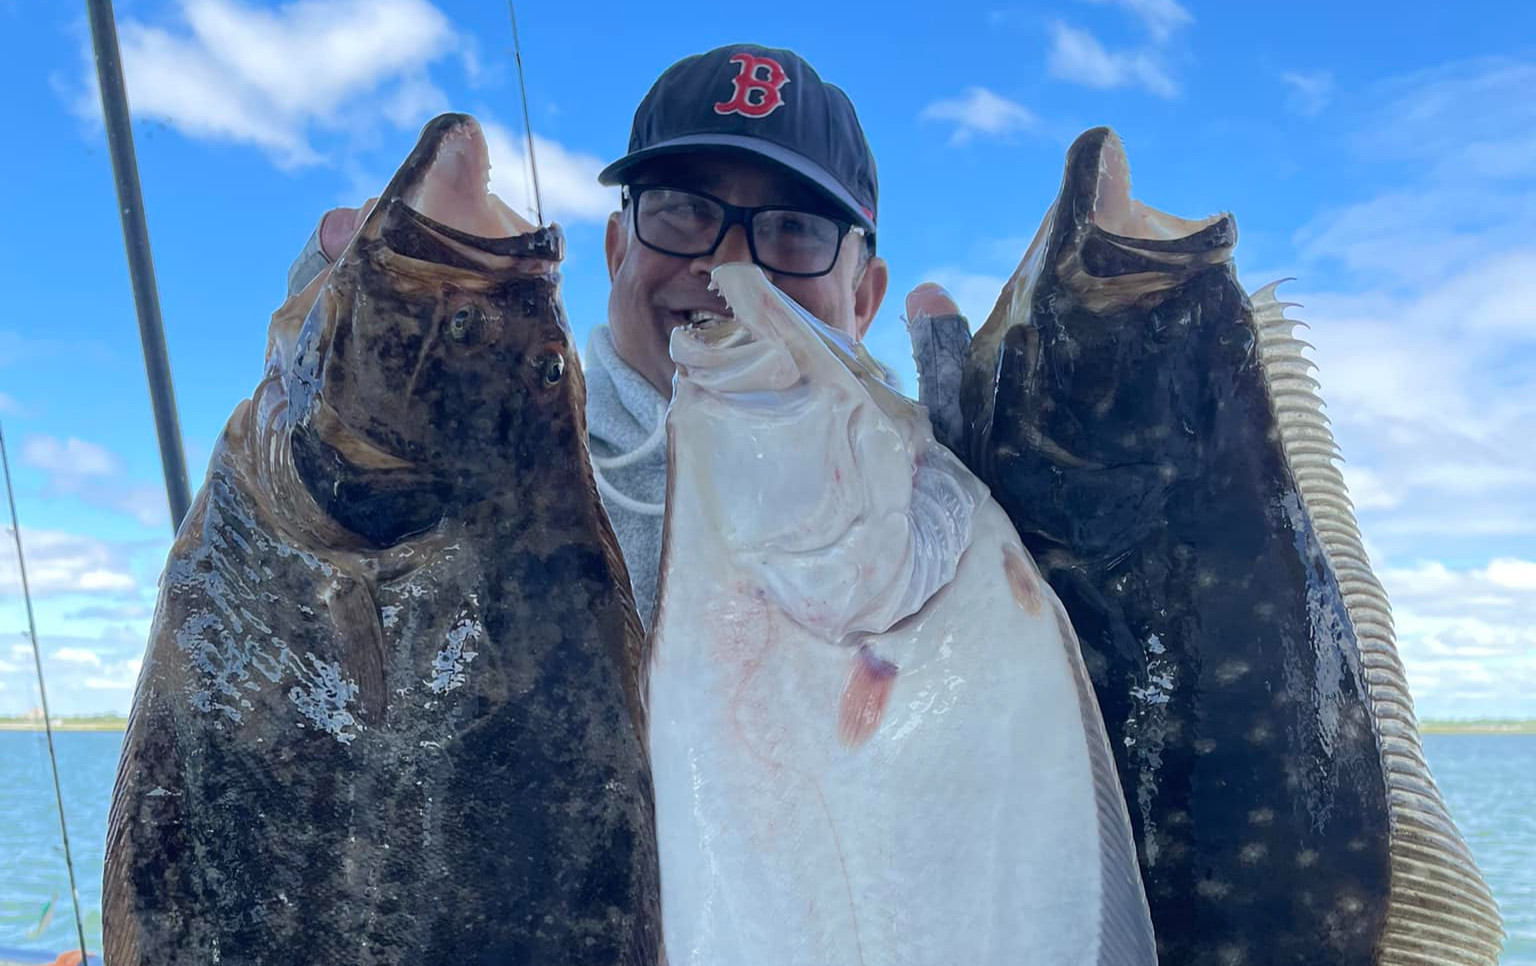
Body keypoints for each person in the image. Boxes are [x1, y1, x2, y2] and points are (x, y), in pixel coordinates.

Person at [286, 43, 962, 627]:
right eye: (684, 210)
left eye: (794, 228)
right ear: (617, 252)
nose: (730, 265)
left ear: (865, 296)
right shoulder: (499, 462)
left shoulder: (948, 515)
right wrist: (327, 390)